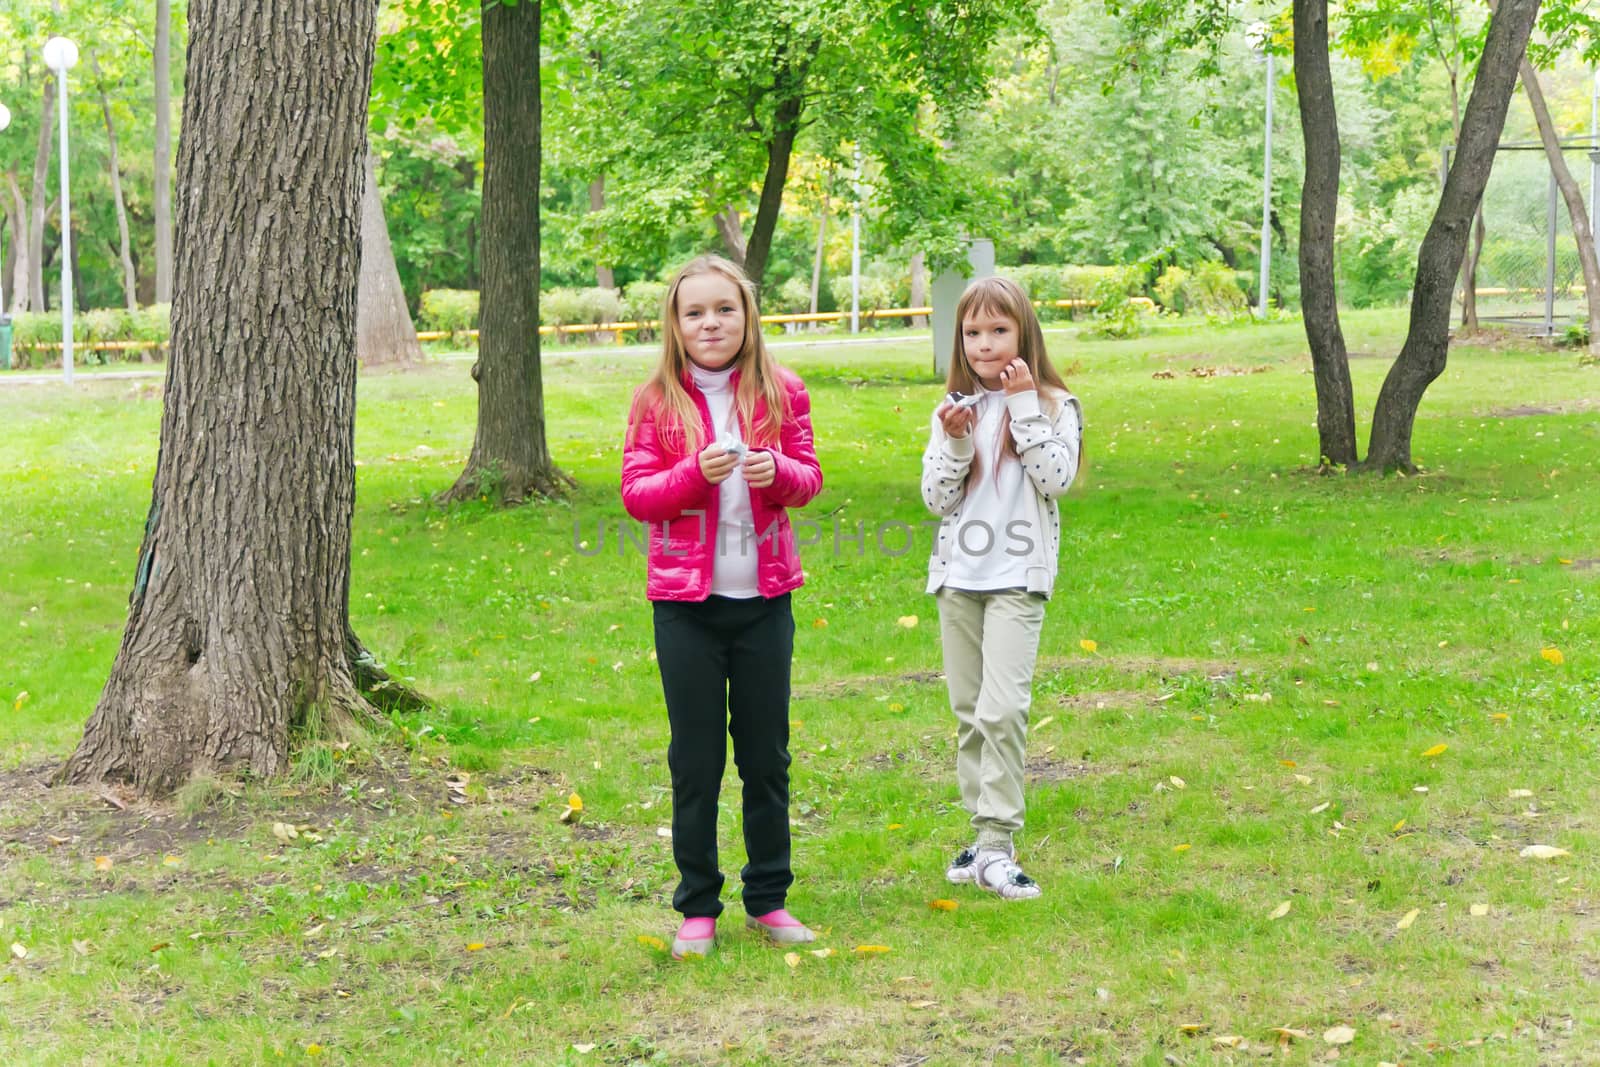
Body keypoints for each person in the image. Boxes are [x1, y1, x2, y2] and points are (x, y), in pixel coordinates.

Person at [620, 254, 825, 958]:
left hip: (765, 603)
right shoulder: (656, 401)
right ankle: (697, 906)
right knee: (696, 759)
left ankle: (768, 898)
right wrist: (690, 474)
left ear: (748, 316)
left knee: (766, 756)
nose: (711, 323)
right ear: (675, 325)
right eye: (695, 312)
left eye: (724, 309)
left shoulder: (780, 391)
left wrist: (779, 472)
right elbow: (638, 494)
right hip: (686, 610)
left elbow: (810, 476)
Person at [920, 275, 1083, 900]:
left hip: (1018, 578)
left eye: (999, 330)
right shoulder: (953, 410)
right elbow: (937, 499)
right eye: (973, 333)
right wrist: (956, 440)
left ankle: (996, 844)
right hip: (958, 577)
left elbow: (1056, 478)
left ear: (1023, 334)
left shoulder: (1054, 405)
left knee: (1002, 710)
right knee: (968, 715)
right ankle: (979, 831)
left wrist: (1022, 409)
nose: (985, 345)